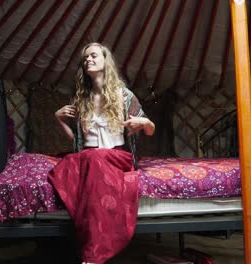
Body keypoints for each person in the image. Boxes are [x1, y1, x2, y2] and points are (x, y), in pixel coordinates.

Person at [48, 42, 155, 264]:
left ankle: (93, 255)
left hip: (117, 157)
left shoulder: (123, 96)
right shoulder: (82, 99)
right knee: (73, 163)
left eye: (94, 55)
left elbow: (151, 130)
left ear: (106, 61)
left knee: (93, 157)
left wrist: (143, 121)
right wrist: (58, 119)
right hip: (89, 157)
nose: (88, 60)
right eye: (85, 58)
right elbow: (78, 141)